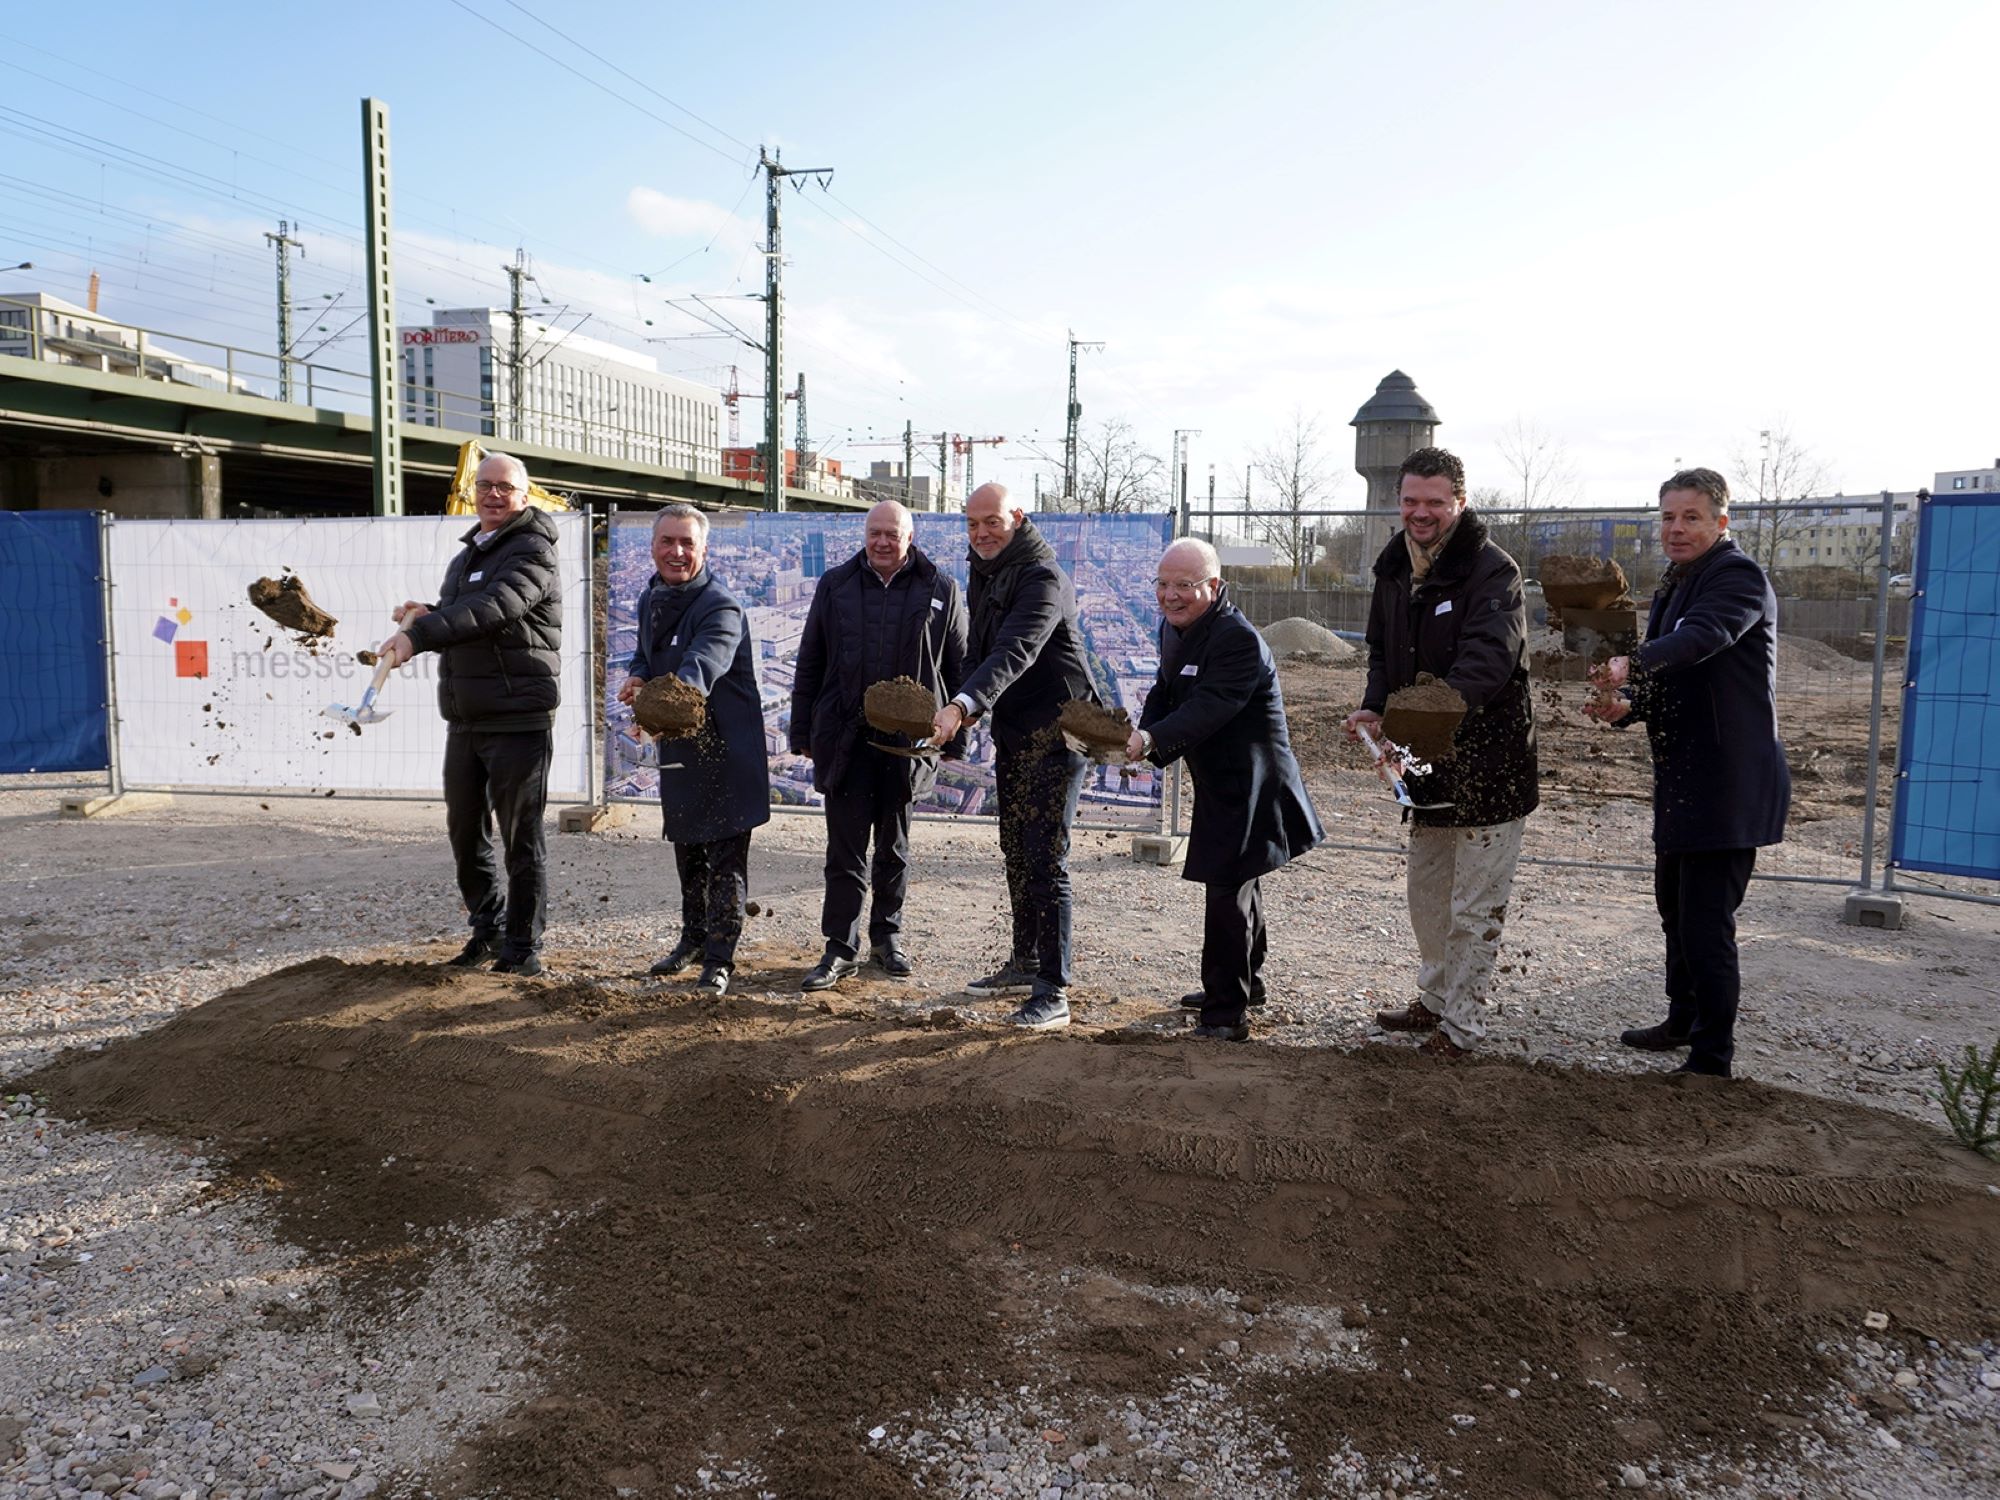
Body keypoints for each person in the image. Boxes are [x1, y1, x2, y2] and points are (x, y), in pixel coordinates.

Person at [1585, 467, 1790, 1078]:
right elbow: (1670, 681)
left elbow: (1706, 638)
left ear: (1721, 523)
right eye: (1668, 517)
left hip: (1729, 781)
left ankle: (1711, 1059)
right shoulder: (1678, 583)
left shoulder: (1737, 577)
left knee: (1706, 922)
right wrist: (1627, 706)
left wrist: (1630, 661)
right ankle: (1682, 1020)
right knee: (1674, 906)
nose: (1676, 528)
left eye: (1691, 517)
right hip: (1684, 775)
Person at [1342, 446, 1538, 1057]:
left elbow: (1489, 660)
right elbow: (1382, 652)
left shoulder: (1491, 571)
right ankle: (1433, 1001)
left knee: (1473, 905)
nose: (1420, 514)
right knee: (1427, 895)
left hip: (1488, 765)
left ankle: (1463, 1026)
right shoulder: (1394, 567)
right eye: (1410, 501)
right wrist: (1378, 707)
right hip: (1427, 765)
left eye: (1434, 502)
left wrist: (1420, 718)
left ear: (1460, 501)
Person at [1125, 539, 1325, 1040]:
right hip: (1221, 781)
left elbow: (1211, 705)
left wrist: (1151, 739)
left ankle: (1224, 1014)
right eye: (1163, 584)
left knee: (1226, 890)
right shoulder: (1176, 629)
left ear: (1214, 587)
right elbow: (1166, 691)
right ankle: (1245, 986)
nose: (1171, 596)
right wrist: (1143, 739)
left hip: (1254, 781)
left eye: (1184, 586)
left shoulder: (1237, 640)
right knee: (1240, 881)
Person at [378, 452, 561, 978]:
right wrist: (430, 616)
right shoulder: (466, 558)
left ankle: (523, 948)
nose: (493, 494)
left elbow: (498, 607)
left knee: (520, 838)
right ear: (473, 492)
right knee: (465, 833)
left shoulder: (532, 549)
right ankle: (488, 929)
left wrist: (418, 636)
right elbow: (467, 621)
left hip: (518, 717)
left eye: (505, 487)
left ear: (524, 496)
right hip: (466, 717)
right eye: (485, 486)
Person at [929, 483, 1099, 1030]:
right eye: (972, 523)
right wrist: (963, 706)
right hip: (1017, 731)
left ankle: (1054, 990)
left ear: (1017, 517)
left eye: (992, 522)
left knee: (1047, 857)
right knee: (1016, 849)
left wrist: (963, 704)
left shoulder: (1043, 577)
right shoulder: (990, 569)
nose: (981, 533)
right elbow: (979, 649)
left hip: (1060, 733)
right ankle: (1025, 960)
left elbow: (1016, 650)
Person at [789, 501, 969, 990]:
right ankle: (838, 947)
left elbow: (958, 668)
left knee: (894, 848)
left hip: (907, 746)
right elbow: (811, 658)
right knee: (844, 850)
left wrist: (957, 739)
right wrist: (801, 731)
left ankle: (886, 939)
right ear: (864, 535)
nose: (883, 542)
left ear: (911, 537)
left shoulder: (940, 588)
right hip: (846, 737)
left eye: (892, 533)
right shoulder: (836, 584)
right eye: (875, 533)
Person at [617, 503, 770, 996]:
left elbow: (699, 669)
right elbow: (647, 650)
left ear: (704, 549)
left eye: (687, 543)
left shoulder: (721, 606)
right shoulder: (651, 595)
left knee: (726, 859)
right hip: (681, 742)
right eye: (668, 542)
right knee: (689, 852)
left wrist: (660, 707)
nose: (677, 552)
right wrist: (639, 674)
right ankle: (693, 940)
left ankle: (720, 960)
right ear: (653, 546)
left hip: (727, 750)